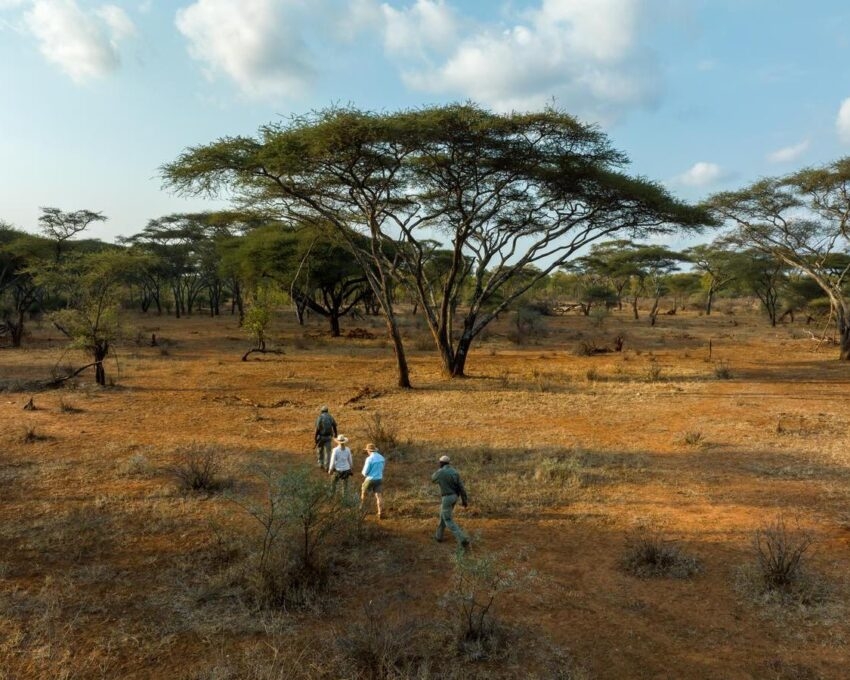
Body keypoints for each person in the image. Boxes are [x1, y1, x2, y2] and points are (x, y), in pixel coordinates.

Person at [431, 455, 469, 549]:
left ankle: (462, 538)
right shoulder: (455, 472)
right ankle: (438, 536)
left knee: (447, 519)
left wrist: (439, 471)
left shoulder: (440, 472)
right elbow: (461, 487)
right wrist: (464, 500)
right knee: (443, 516)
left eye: (439, 462)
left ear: (441, 463)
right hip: (455, 497)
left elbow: (433, 479)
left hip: (447, 497)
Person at [360, 443, 385, 519]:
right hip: (379, 479)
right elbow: (382, 468)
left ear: (369, 451)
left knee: (364, 493)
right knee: (379, 496)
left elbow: (365, 472)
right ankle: (380, 512)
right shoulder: (381, 458)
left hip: (370, 479)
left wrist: (365, 474)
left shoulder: (369, 459)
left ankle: (362, 509)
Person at [328, 435, 353, 502]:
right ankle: (345, 500)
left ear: (338, 442)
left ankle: (331, 497)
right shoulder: (348, 449)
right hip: (346, 470)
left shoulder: (335, 450)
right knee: (345, 486)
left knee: (333, 484)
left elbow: (332, 461)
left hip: (338, 470)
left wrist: (330, 469)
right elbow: (350, 460)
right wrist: (351, 468)